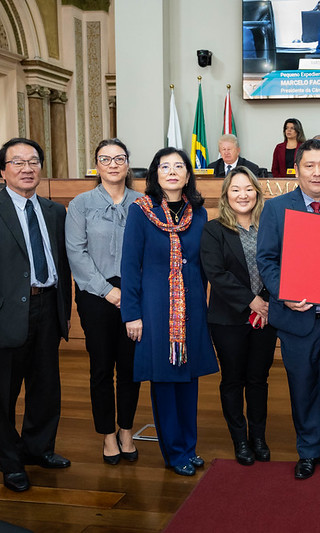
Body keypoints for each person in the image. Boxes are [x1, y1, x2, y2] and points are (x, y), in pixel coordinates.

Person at [0, 137, 72, 492]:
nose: (27, 168)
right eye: (18, 162)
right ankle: (10, 463)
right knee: (4, 393)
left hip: (48, 307)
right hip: (4, 317)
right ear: (3, 169)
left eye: (33, 161)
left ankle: (38, 449)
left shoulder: (54, 212)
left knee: (46, 388)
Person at [257, 138, 320, 480]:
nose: (317, 173)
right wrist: (283, 293)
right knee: (302, 388)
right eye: (309, 166)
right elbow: (267, 260)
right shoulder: (276, 209)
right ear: (297, 169)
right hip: (296, 320)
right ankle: (309, 450)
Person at [120, 147, 218, 476]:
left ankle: (189, 448)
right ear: (155, 174)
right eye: (165, 166)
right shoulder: (140, 211)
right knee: (164, 382)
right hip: (155, 311)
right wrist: (132, 314)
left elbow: (207, 263)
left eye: (179, 166)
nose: (172, 171)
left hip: (191, 310)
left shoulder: (198, 213)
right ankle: (174, 454)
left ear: (188, 175)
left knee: (188, 382)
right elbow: (130, 267)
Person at [66, 138, 142, 465]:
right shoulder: (80, 203)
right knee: (101, 367)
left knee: (130, 367)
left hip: (136, 295)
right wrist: (107, 291)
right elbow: (76, 253)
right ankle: (107, 436)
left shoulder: (144, 203)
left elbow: (151, 252)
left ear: (128, 164)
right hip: (95, 296)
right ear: (96, 165)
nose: (113, 164)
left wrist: (133, 293)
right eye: (105, 158)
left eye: (119, 158)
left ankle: (126, 430)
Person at [201, 167, 277, 466]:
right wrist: (251, 301)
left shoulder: (269, 227)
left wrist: (266, 303)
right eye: (236, 189)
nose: (242, 195)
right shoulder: (214, 230)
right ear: (226, 195)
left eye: (248, 189)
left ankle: (259, 437)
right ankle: (240, 439)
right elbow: (216, 274)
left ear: (257, 193)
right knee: (233, 380)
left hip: (268, 316)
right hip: (228, 319)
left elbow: (280, 266)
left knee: (259, 379)